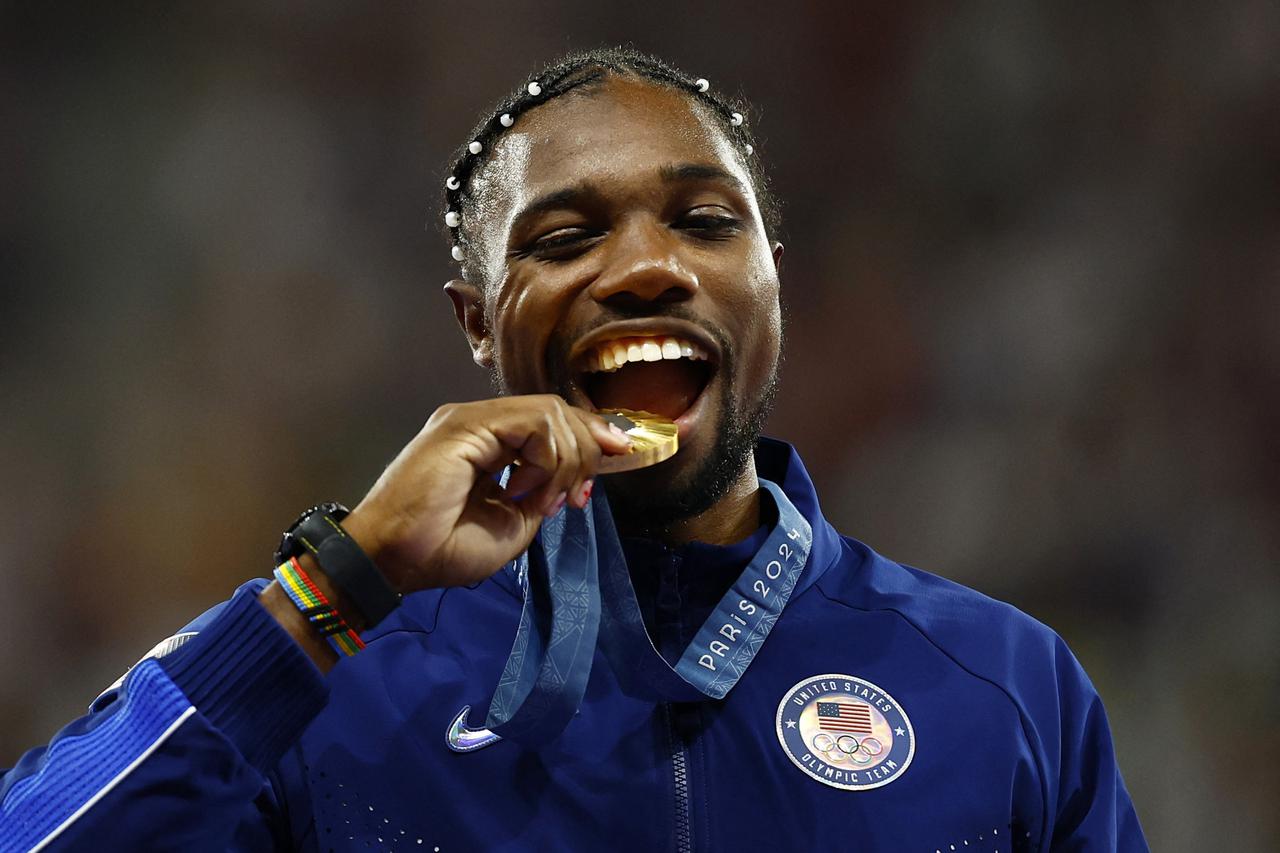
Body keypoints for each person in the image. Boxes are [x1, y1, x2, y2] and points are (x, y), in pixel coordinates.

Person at [0, 48, 1147, 852]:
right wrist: (339, 588)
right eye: (564, 236)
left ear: (771, 282)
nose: (648, 266)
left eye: (705, 221)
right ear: (475, 322)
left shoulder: (1004, 688)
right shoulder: (335, 678)